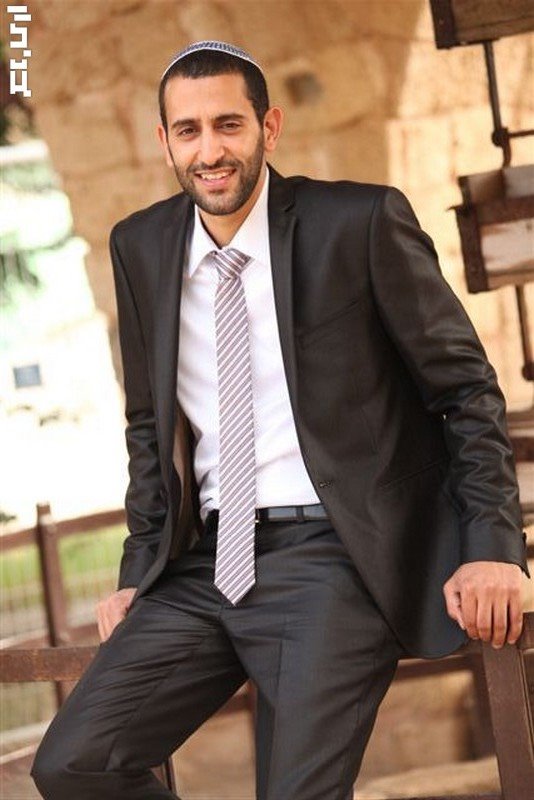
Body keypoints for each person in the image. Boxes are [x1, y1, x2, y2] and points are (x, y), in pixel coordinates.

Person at [31, 40, 529, 800]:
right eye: (189, 130)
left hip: (334, 556)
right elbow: (148, 427)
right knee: (72, 763)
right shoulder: (142, 246)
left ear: (269, 127)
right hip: (204, 567)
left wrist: (492, 547)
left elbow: (465, 390)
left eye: (228, 125)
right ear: (165, 141)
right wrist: (140, 572)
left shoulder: (358, 222)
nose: (210, 151)